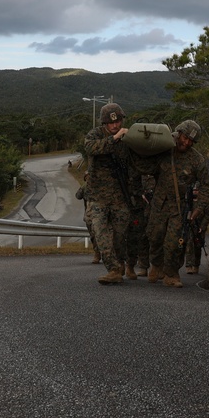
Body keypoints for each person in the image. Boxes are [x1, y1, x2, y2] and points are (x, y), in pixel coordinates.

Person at [139, 120, 209, 288]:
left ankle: (171, 273)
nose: (186, 143)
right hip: (159, 202)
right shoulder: (163, 147)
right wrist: (148, 190)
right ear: (179, 133)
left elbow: (206, 186)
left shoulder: (196, 160)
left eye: (190, 141)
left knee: (174, 242)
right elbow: (146, 169)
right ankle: (157, 265)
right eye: (184, 137)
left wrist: (199, 208)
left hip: (179, 206)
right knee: (154, 236)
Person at [83, 102, 140, 284]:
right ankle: (114, 270)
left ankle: (121, 263)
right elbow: (91, 148)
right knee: (100, 233)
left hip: (120, 197)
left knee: (119, 236)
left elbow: (135, 164)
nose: (115, 125)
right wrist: (115, 138)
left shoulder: (128, 139)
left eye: (118, 121)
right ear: (104, 123)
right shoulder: (96, 135)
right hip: (98, 196)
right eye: (110, 122)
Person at [184, 181, 209, 275]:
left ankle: (196, 265)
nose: (195, 192)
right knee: (189, 244)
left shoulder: (204, 202)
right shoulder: (188, 201)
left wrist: (202, 227)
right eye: (194, 190)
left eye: (197, 190)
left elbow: (207, 215)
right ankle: (188, 265)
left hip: (199, 226)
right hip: (190, 225)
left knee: (198, 246)